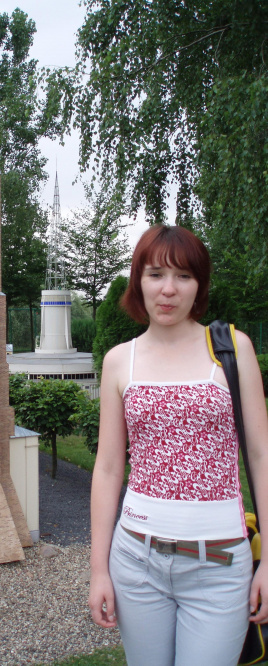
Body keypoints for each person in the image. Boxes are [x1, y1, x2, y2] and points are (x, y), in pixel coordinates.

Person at [89, 224, 268, 666]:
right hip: (135, 562)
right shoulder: (118, 361)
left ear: (199, 285)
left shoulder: (232, 349)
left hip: (220, 568)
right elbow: (109, 468)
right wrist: (98, 571)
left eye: (183, 276)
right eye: (155, 275)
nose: (168, 289)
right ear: (138, 281)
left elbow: (262, 457)